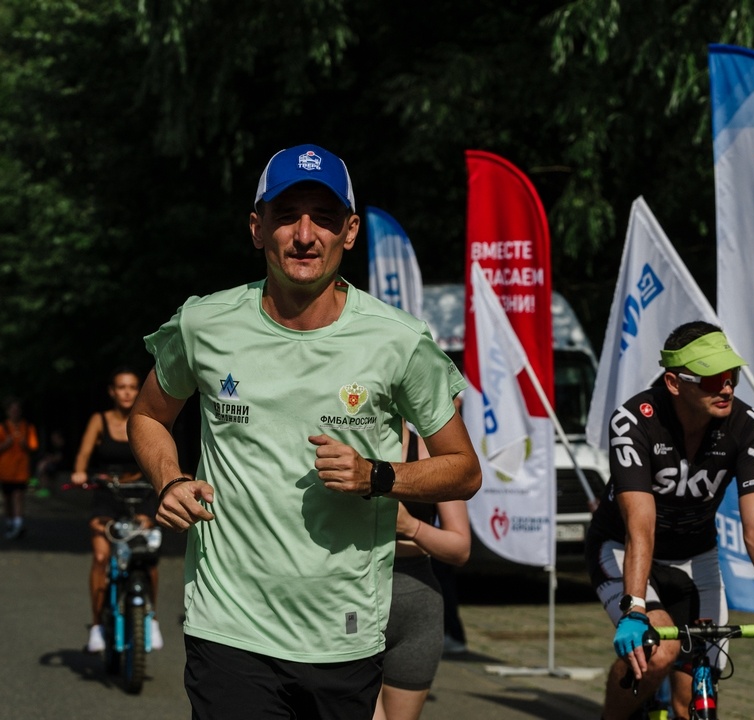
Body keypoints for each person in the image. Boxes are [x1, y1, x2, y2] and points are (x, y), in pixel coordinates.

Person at [128, 143, 481, 720]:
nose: (304, 235)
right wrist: (169, 479)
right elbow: (148, 416)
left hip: (343, 630)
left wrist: (377, 475)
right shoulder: (204, 324)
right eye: (287, 215)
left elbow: (463, 470)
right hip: (228, 624)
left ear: (350, 231)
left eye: (324, 217)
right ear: (257, 228)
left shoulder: (398, 340)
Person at [585, 321, 754, 720]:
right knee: (660, 653)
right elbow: (641, 525)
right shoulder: (634, 421)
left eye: (732, 376)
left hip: (696, 556)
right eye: (712, 379)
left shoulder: (748, 426)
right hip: (624, 548)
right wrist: (635, 609)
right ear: (674, 383)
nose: (726, 388)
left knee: (697, 690)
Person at [373, 424, 471, 720]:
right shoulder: (349, 447)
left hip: (416, 606)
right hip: (357, 600)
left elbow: (460, 548)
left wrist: (410, 527)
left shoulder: (432, 455)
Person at [71, 367, 163, 653]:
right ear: (112, 392)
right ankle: (97, 625)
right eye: (121, 387)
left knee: (146, 558)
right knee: (101, 556)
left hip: (140, 493)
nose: (127, 392)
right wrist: (79, 472)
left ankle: (151, 619)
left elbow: (161, 452)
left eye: (132, 387)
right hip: (107, 493)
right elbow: (84, 454)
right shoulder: (99, 420)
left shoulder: (147, 419)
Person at [0, 397, 39, 540]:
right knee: (8, 498)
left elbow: (33, 447)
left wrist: (25, 445)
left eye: (17, 410)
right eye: (12, 410)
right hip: (5, 470)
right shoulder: (3, 427)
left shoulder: (27, 428)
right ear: (7, 411)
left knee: (18, 496)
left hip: (21, 470)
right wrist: (6, 444)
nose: (15, 412)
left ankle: (18, 524)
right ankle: (10, 522)